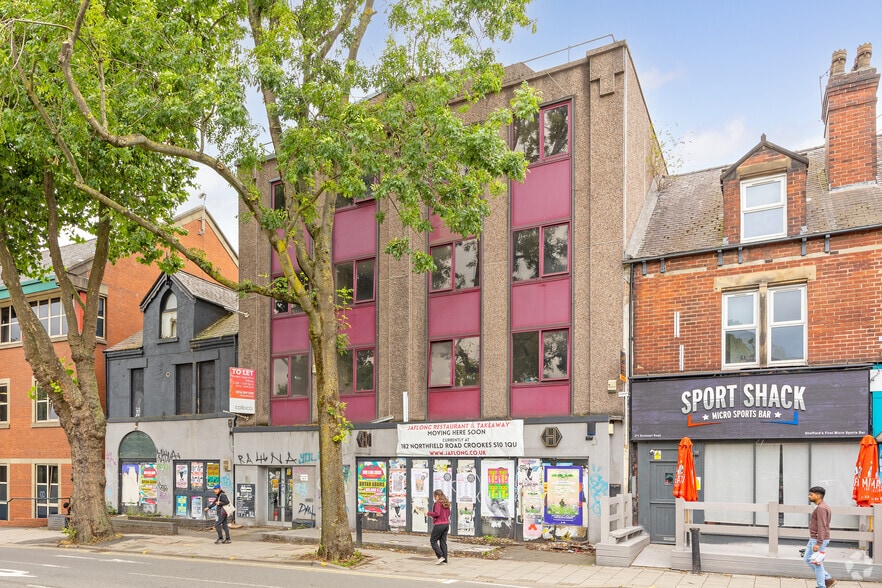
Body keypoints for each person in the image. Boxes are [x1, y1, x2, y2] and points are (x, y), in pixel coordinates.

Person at [804, 485, 835, 588]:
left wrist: (819, 542)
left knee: (817, 563)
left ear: (818, 496)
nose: (809, 496)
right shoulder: (822, 506)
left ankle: (821, 586)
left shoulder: (821, 508)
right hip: (815, 538)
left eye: (811, 495)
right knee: (807, 559)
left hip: (818, 539)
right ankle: (828, 579)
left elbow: (822, 526)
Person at [427, 489, 451, 565]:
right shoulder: (446, 503)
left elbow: (437, 513)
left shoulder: (438, 503)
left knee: (433, 541)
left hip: (439, 524)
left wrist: (428, 513)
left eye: (434, 496)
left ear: (437, 496)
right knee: (443, 542)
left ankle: (441, 556)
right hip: (446, 524)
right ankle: (445, 561)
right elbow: (448, 514)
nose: (434, 497)